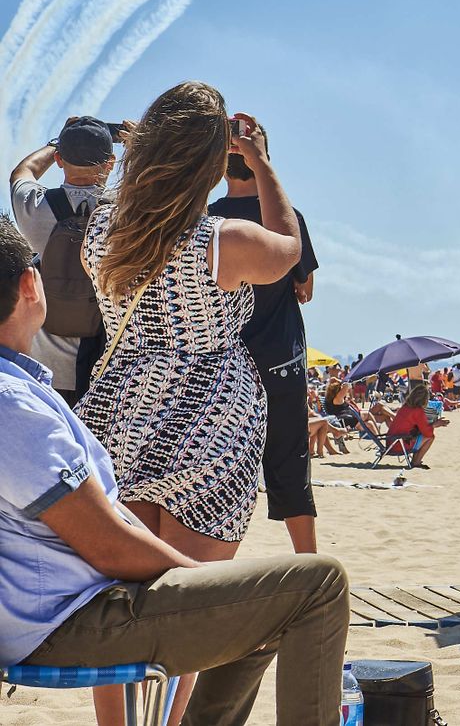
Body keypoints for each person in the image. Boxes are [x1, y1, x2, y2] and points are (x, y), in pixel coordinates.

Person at [0, 214, 351, 726]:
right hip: (68, 620)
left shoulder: (18, 394)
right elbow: (107, 545)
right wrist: (206, 584)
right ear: (31, 285)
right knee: (319, 583)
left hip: (46, 612)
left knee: (266, 600)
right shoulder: (13, 405)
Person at [73, 85, 303, 722]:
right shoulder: (223, 241)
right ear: (210, 164)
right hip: (211, 414)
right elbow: (289, 246)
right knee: (196, 596)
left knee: (118, 594)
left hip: (122, 405)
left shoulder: (104, 232)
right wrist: (259, 163)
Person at [210, 127, 321, 553]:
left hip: (225, 359)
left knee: (218, 464)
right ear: (263, 159)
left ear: (221, 165)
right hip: (279, 357)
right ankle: (307, 563)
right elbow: (304, 289)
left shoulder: (209, 220)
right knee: (289, 463)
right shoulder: (287, 217)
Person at [8, 116, 128, 404]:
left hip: (46, 368)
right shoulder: (127, 211)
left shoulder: (35, 207)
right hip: (105, 366)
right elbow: (163, 184)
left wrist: (57, 141)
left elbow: (22, 172)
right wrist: (139, 142)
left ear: (60, 160)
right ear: (110, 163)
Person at [387, 383, 448, 468]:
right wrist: (435, 425)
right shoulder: (418, 411)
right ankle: (416, 461)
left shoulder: (405, 407)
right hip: (398, 445)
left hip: (390, 442)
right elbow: (427, 433)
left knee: (419, 435)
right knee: (431, 437)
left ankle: (415, 460)